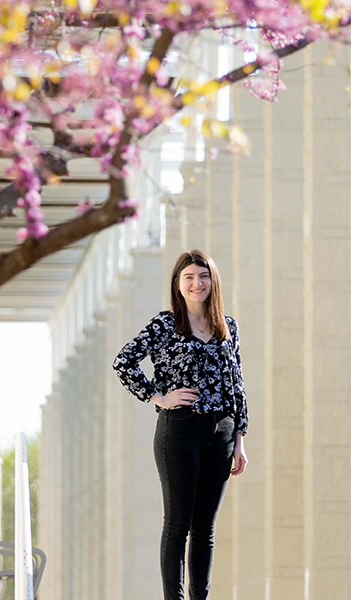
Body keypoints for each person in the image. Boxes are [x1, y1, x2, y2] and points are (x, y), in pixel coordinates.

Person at [112, 249, 248, 600]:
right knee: (177, 525)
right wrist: (159, 396)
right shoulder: (165, 324)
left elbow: (237, 384)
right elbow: (123, 362)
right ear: (178, 284)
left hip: (221, 434)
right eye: (188, 277)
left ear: (212, 281)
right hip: (180, 430)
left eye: (202, 276)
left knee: (206, 528)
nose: (196, 283)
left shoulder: (227, 326)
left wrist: (240, 439)